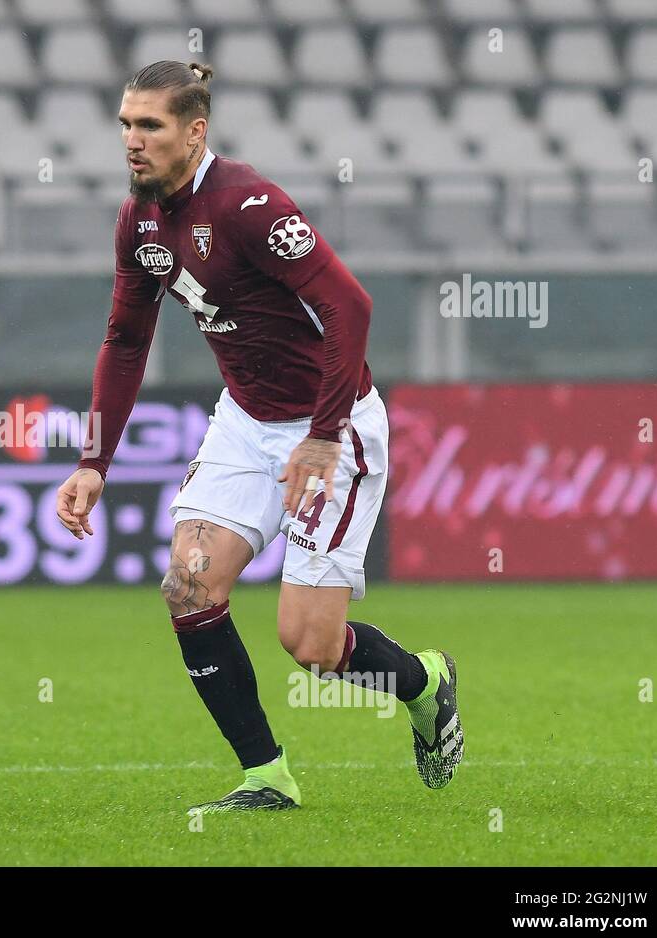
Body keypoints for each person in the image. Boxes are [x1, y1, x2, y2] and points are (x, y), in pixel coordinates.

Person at [54, 61, 463, 813]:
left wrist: (324, 434)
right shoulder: (139, 219)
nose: (132, 141)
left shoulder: (248, 204)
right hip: (245, 424)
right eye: (125, 124)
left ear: (195, 132)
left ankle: (423, 682)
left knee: (309, 646)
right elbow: (124, 338)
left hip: (331, 429)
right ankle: (266, 777)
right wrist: (94, 461)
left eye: (150, 126)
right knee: (187, 586)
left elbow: (353, 307)